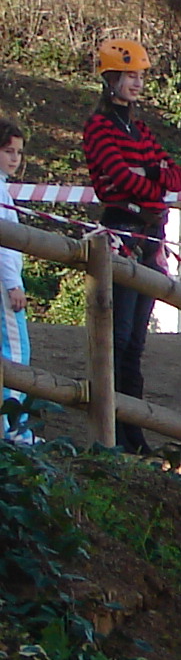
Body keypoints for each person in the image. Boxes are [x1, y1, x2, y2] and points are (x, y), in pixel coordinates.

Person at [81, 40, 181, 451]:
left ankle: (134, 433)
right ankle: (113, 429)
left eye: (140, 76)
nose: (137, 83)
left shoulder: (140, 129)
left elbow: (175, 177)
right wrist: (151, 178)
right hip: (121, 230)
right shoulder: (99, 127)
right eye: (130, 76)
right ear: (111, 80)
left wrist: (150, 174)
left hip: (150, 234)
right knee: (120, 336)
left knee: (137, 343)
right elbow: (117, 178)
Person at [0, 122, 33, 444]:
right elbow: (5, 246)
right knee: (16, 352)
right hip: (3, 286)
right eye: (8, 151)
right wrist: (13, 284)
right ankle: (13, 429)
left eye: (19, 152)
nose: (15, 158)